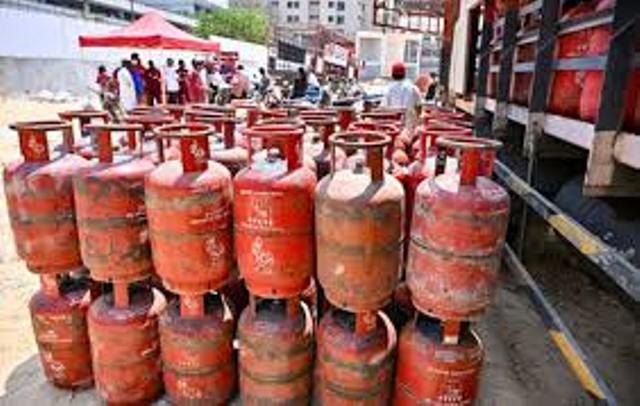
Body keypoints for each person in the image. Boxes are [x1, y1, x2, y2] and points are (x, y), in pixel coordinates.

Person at [383, 62, 422, 128]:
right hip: (409, 124)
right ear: (404, 74)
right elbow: (419, 106)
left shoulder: (388, 89)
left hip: (393, 125)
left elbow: (384, 108)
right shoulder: (413, 88)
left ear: (392, 75)